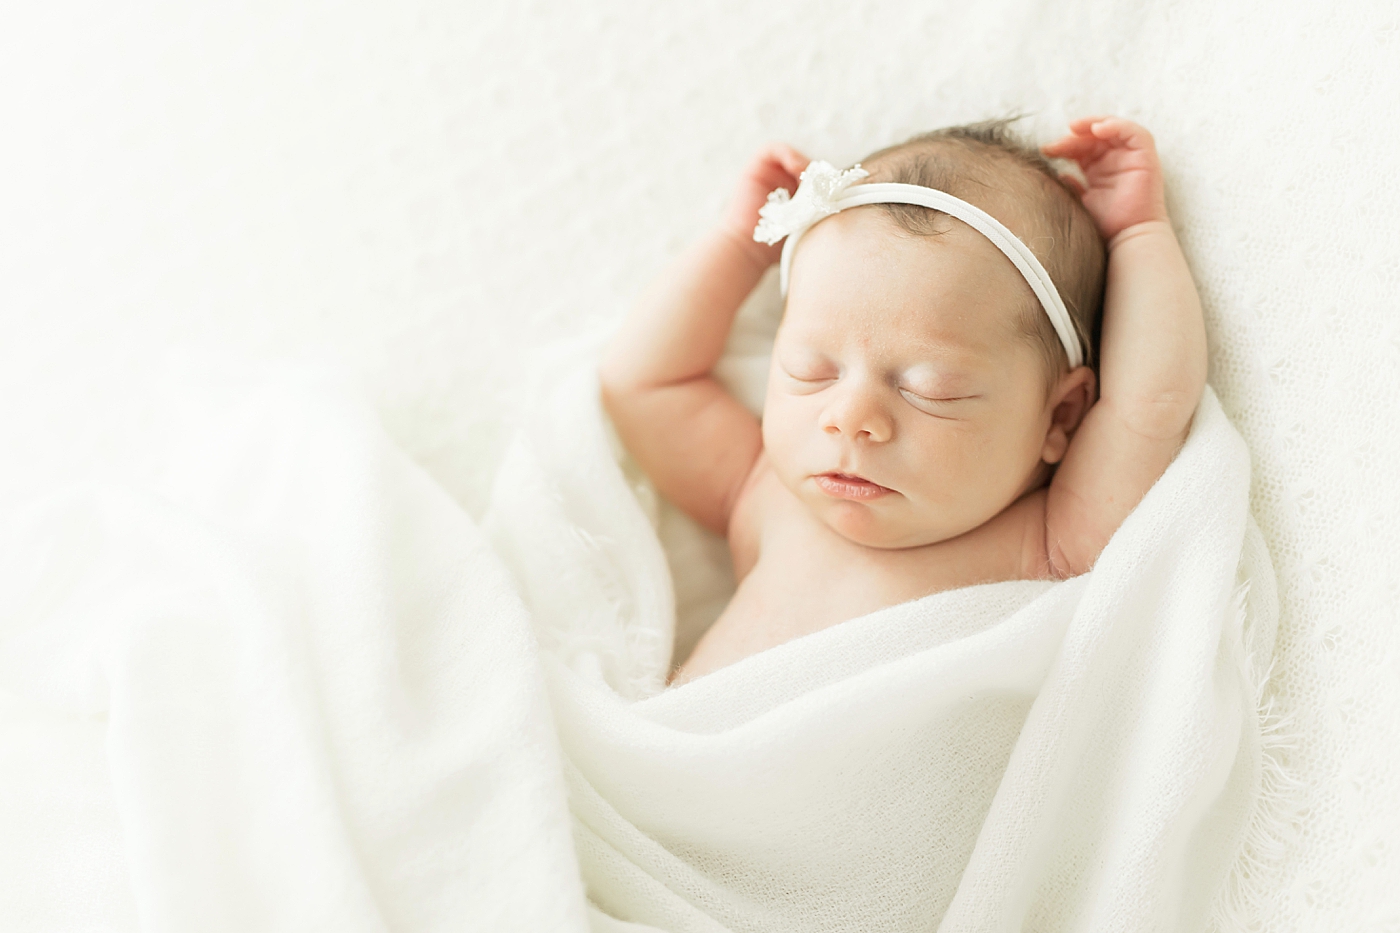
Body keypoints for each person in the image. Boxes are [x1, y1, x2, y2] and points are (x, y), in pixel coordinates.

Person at [598, 115, 1206, 687]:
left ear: (1062, 416)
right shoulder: (763, 497)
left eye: (929, 389)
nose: (850, 419)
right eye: (811, 372)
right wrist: (740, 244)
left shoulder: (1049, 543)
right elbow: (643, 381)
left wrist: (1137, 234)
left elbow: (1147, 406)